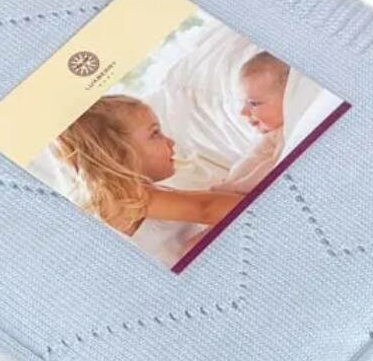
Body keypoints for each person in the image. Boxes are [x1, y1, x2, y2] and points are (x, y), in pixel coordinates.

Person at [55, 95, 241, 263]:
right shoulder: (124, 198)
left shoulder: (126, 195)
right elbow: (206, 208)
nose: (170, 142)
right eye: (155, 133)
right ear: (118, 153)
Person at [212, 51, 290, 194]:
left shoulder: (284, 133)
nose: (243, 112)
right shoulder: (273, 133)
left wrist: (238, 186)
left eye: (254, 103)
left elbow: (275, 166)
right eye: (244, 103)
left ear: (288, 98)